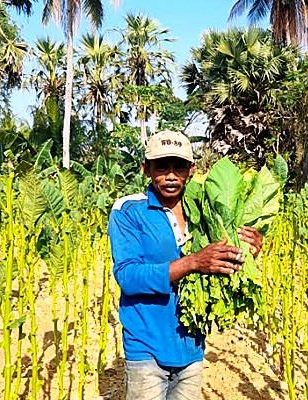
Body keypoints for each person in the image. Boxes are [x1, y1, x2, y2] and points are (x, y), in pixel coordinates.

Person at [108, 130, 263, 400]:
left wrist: (248, 251)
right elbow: (128, 276)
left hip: (192, 347)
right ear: (146, 168)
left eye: (179, 166)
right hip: (146, 346)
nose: (170, 175)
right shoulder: (129, 210)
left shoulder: (204, 210)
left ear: (191, 169)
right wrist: (193, 262)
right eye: (161, 166)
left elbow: (221, 267)